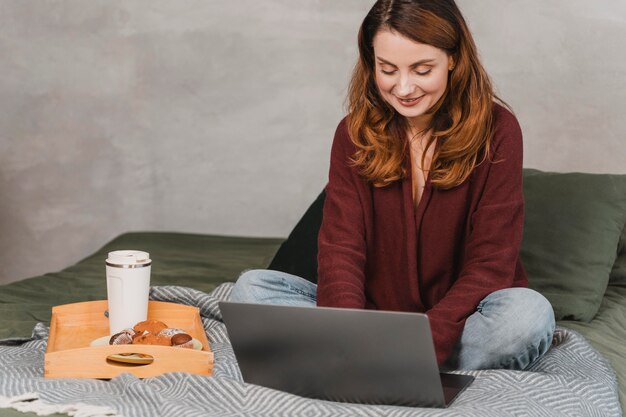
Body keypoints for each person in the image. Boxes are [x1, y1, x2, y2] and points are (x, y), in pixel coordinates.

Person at [230, 0, 555, 371]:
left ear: (453, 58)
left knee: (527, 316)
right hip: (369, 321)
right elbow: (341, 249)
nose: (403, 87)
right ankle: (385, 361)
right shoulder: (352, 133)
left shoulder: (500, 130)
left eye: (421, 69)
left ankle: (382, 361)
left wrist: (428, 339)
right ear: (372, 64)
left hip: (458, 322)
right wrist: (352, 333)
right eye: (387, 69)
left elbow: (491, 264)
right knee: (251, 289)